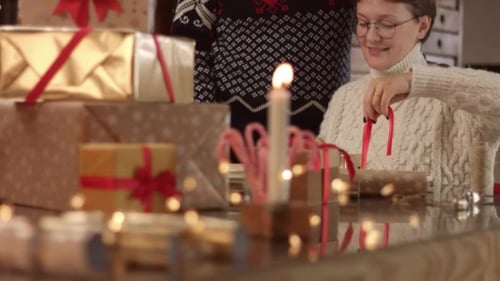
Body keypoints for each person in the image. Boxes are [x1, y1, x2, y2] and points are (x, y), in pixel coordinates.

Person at [318, 0, 500, 202]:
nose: (370, 36)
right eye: (362, 22)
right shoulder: (344, 98)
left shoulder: (457, 101)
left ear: (422, 26)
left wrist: (416, 81)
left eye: (387, 25)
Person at [171, 0, 356, 135]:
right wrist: (209, 129)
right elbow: (188, 50)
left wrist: (385, 79)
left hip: (328, 135)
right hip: (233, 137)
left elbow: (377, 21)